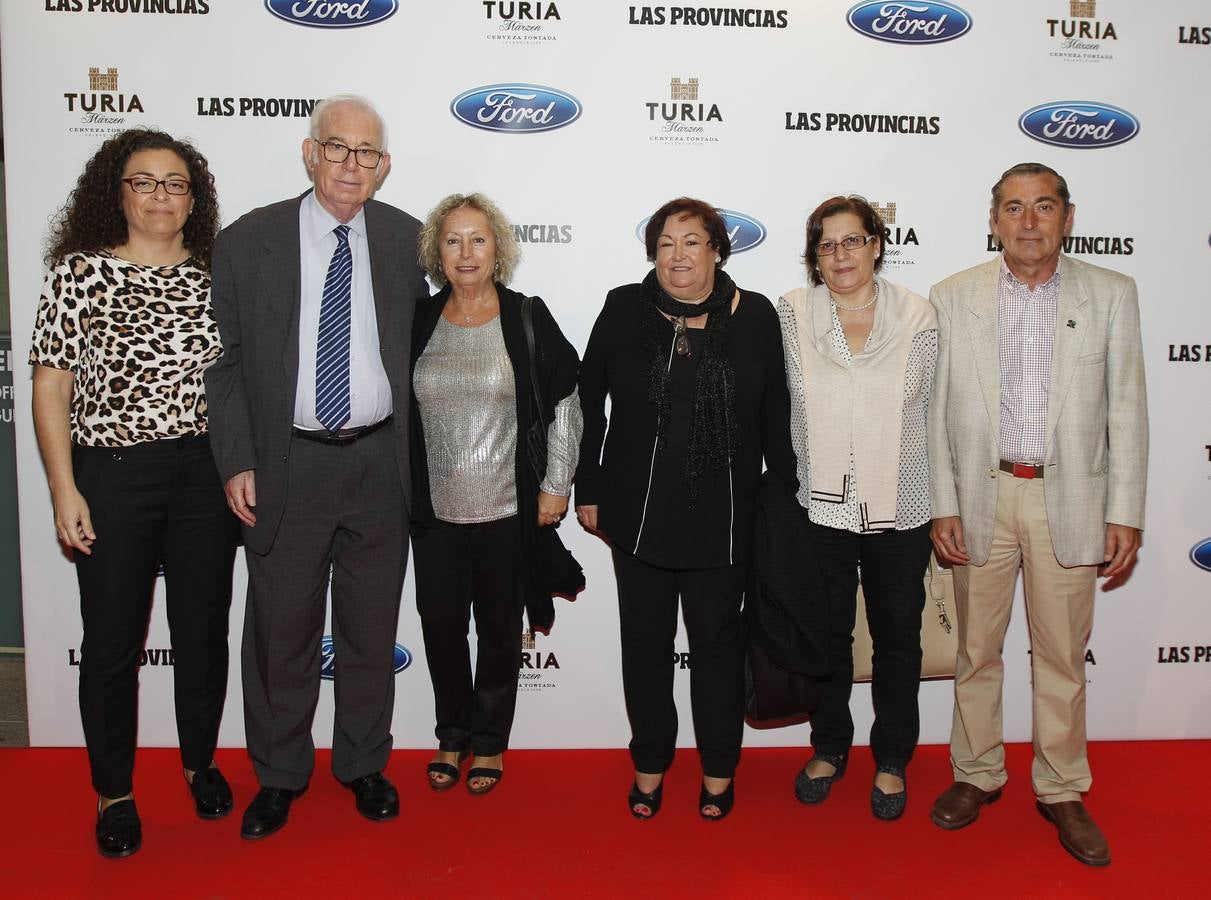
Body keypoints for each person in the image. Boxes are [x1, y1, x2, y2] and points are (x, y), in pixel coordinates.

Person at [204, 94, 428, 839]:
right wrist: (237, 458)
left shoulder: (407, 241)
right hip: (285, 465)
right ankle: (278, 774)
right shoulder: (247, 240)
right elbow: (224, 365)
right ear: (309, 153)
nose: (350, 165)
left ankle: (363, 764)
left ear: (384, 167)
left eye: (366, 153)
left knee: (369, 629)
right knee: (281, 630)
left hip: (378, 464)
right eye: (337, 147)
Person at [927, 163, 1147, 866]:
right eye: (1013, 208)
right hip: (981, 497)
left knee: (1060, 655)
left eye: (1042, 207)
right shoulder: (952, 296)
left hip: (1070, 499)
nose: (1028, 222)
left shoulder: (1111, 294)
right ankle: (977, 774)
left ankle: (1059, 787)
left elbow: (1126, 409)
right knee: (975, 651)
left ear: (1067, 216)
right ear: (992, 220)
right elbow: (933, 416)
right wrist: (943, 504)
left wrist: (1125, 510)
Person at [29, 129, 238, 858]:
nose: (159, 196)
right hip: (113, 473)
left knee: (203, 633)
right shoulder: (78, 273)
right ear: (115, 193)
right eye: (143, 182)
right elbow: (51, 385)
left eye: (175, 183)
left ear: (194, 198)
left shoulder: (217, 275)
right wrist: (63, 489)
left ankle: (199, 761)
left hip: (206, 476)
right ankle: (114, 793)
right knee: (114, 642)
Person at [575, 197, 796, 821]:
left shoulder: (754, 316)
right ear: (653, 253)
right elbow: (589, 398)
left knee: (718, 653)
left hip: (724, 520)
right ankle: (650, 765)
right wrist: (587, 485)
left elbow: (776, 415)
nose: (679, 256)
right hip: (638, 515)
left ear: (717, 250)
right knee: (644, 647)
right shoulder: (624, 308)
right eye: (666, 243)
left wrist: (787, 501)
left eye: (692, 242)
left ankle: (720, 770)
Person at [411, 193, 582, 795]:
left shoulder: (526, 315)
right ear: (437, 250)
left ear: (498, 249)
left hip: (508, 510)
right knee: (439, 630)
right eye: (453, 240)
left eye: (477, 239)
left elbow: (567, 403)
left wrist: (557, 484)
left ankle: (489, 743)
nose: (465, 252)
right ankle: (451, 735)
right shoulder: (419, 319)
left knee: (500, 631)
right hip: (433, 514)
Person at [777, 195, 937, 820]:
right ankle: (829, 747)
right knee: (828, 638)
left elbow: (934, 413)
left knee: (899, 640)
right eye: (826, 244)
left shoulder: (919, 315)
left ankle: (893, 757)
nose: (840, 255)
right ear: (814, 256)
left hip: (903, 505)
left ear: (876, 244)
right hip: (819, 511)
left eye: (852, 241)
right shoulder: (790, 315)